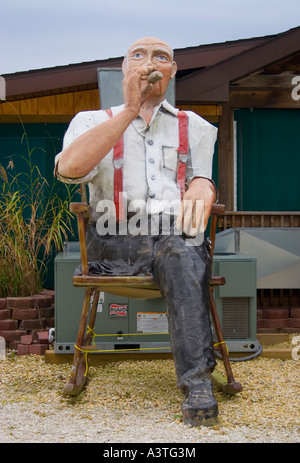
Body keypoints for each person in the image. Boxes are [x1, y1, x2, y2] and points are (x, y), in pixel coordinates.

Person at [54, 36, 219, 426]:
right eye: (139, 56)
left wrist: (204, 185)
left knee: (183, 247)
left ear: (172, 71)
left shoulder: (194, 126)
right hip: (111, 241)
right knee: (183, 247)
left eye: (161, 57)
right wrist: (128, 111)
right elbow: (70, 170)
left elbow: (202, 178)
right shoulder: (91, 121)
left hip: (174, 240)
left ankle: (197, 383)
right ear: (125, 69)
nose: (150, 64)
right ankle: (198, 379)